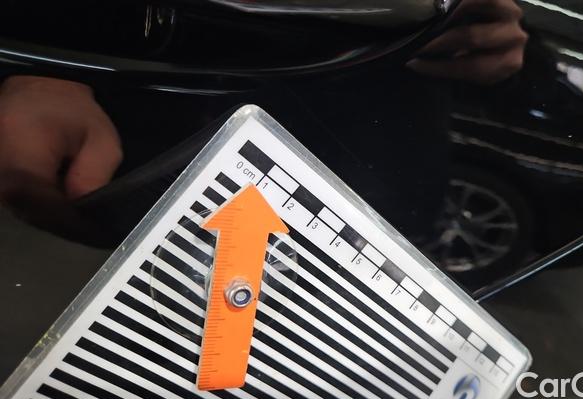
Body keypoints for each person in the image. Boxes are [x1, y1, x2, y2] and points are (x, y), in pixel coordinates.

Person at [0, 0, 527, 229]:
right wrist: (42, 71)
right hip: (141, 180)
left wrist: (505, 49)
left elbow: (506, 43)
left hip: (375, 224)